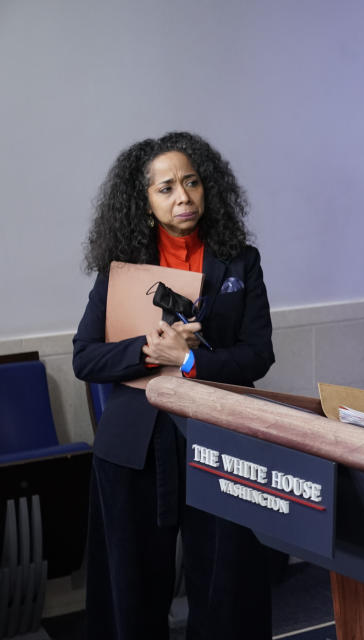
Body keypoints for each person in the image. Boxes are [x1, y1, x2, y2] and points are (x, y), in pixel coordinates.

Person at [73, 132, 275, 640]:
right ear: (144, 200)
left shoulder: (240, 261)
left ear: (208, 188)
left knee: (225, 587)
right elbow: (85, 357)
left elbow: (258, 354)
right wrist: (147, 350)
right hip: (134, 446)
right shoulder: (120, 268)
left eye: (191, 182)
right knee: (131, 591)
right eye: (165, 188)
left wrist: (186, 359)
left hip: (218, 437)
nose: (182, 196)